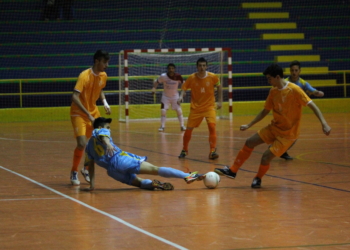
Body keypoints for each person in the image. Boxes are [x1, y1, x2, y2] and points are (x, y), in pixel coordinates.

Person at [214, 64, 331, 188]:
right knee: (249, 142)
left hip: (288, 134)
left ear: (277, 77)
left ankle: (258, 178)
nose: (268, 81)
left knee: (265, 157)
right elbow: (265, 110)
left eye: (269, 78)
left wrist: (324, 123)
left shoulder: (294, 90)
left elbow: (312, 105)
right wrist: (249, 124)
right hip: (274, 128)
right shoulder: (273, 91)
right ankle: (232, 171)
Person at [82, 117, 206, 191]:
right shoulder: (99, 130)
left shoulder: (88, 147)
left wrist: (92, 185)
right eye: (108, 127)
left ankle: (153, 185)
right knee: (154, 169)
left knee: (139, 183)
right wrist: (108, 144)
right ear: (100, 126)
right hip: (120, 160)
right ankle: (187, 176)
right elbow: (104, 135)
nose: (109, 129)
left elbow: (90, 166)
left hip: (112, 171)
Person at [69, 50, 111, 186]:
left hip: (94, 113)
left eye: (107, 62)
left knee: (97, 142)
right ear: (97, 61)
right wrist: (88, 114)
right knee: (82, 144)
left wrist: (105, 102)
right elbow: (74, 96)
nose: (107, 65)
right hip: (79, 113)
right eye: (104, 62)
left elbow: (100, 89)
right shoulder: (84, 76)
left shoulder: (104, 75)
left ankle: (86, 169)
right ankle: (74, 171)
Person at [280, 60, 325, 160]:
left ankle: (281, 150)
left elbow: (312, 90)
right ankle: (278, 149)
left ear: (300, 71)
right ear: (290, 71)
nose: (294, 72)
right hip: (284, 112)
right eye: (292, 70)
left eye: (296, 70)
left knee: (293, 136)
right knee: (288, 134)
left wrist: (317, 92)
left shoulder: (303, 83)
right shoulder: (285, 82)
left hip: (295, 113)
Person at [178, 57, 222, 160]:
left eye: (203, 65)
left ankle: (212, 151)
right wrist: (181, 96)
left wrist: (219, 101)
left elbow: (219, 86)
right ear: (197, 67)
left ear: (206, 66)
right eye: (200, 66)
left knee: (212, 127)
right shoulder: (192, 78)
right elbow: (184, 88)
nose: (202, 68)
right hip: (196, 108)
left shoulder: (213, 77)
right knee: (189, 129)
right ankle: (184, 150)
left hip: (209, 107)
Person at [151, 63, 186, 132]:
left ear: (174, 69)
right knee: (163, 111)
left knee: (179, 110)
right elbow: (156, 82)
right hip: (165, 96)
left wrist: (182, 95)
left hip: (175, 96)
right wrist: (154, 88)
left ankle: (182, 125)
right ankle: (162, 126)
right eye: (169, 68)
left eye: (172, 68)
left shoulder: (178, 76)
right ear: (167, 69)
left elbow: (184, 85)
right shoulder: (163, 76)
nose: (171, 70)